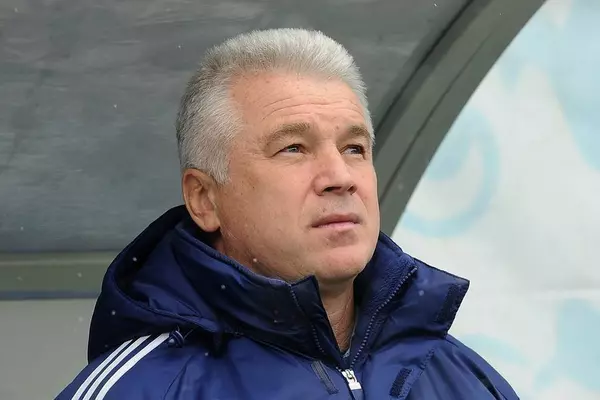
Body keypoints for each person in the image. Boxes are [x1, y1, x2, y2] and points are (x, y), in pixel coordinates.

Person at [56, 28, 518, 400]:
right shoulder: (141, 389)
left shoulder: (465, 379)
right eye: (294, 148)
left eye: (354, 148)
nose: (340, 176)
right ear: (205, 199)